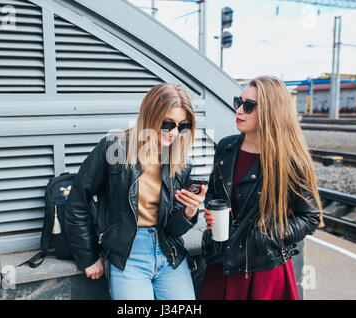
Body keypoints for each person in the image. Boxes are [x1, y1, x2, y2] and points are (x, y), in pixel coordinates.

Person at [64, 83, 206, 300]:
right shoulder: (115, 148)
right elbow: (77, 201)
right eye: (168, 124)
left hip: (169, 252)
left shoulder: (182, 163)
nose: (175, 133)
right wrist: (88, 257)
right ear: (150, 115)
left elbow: (173, 229)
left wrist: (188, 212)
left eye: (183, 126)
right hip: (127, 253)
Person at [199, 76, 323, 300]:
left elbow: (310, 217)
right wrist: (212, 213)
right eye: (239, 102)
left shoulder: (289, 160)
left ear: (270, 111)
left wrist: (267, 238)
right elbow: (214, 195)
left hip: (263, 269)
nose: (239, 111)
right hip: (223, 262)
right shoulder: (226, 147)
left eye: (248, 106)